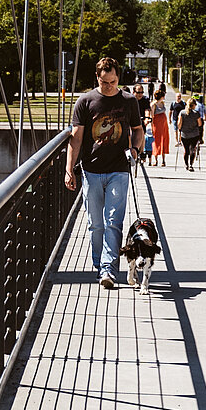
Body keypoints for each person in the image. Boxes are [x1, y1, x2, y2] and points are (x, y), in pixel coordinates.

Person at [64, 57, 144, 290]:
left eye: (113, 81)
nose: (109, 86)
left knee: (113, 222)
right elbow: (76, 138)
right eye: (104, 82)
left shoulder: (129, 101)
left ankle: (108, 269)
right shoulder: (86, 101)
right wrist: (69, 169)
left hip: (119, 170)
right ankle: (99, 264)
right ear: (97, 78)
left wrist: (136, 149)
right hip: (91, 170)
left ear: (118, 77)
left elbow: (138, 131)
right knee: (95, 224)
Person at [178, 100, 205, 171]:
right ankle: (191, 164)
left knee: (186, 150)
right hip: (194, 134)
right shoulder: (196, 113)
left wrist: (180, 130)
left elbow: (179, 124)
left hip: (185, 134)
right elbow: (199, 124)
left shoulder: (182, 113)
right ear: (193, 105)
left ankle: (186, 164)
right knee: (192, 149)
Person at [150, 87, 171, 166]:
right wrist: (152, 127)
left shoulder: (162, 103)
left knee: (164, 140)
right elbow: (152, 116)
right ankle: (155, 159)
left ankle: (163, 160)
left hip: (163, 124)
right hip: (157, 124)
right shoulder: (153, 104)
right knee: (157, 140)